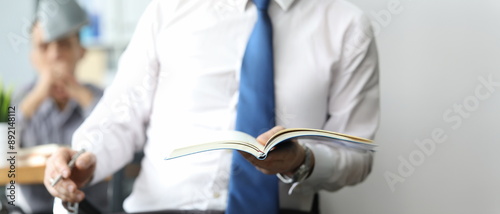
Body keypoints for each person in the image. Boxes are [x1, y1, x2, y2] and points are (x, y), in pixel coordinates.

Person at [44, 0, 380, 213]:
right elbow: (120, 114)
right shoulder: (168, 10)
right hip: (163, 208)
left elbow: (357, 154)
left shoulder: (346, 26)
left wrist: (303, 161)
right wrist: (85, 156)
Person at [14, 0, 108, 213]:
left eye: (64, 43)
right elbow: (7, 143)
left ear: (81, 51)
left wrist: (79, 94)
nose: (55, 54)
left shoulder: (99, 97)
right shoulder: (21, 100)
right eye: (44, 47)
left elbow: (116, 134)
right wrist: (36, 97)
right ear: (33, 57)